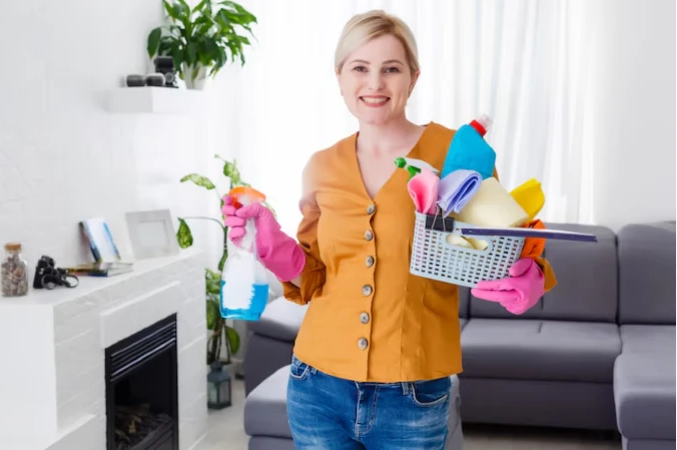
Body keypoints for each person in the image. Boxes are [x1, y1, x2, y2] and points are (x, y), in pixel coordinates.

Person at [222, 9, 557, 450]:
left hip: (413, 393)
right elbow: (313, 274)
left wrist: (531, 275)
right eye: (359, 68)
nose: (375, 83)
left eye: (391, 69)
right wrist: (269, 239)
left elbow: (508, 239)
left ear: (413, 78)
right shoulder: (321, 166)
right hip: (316, 385)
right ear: (340, 77)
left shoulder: (457, 152)